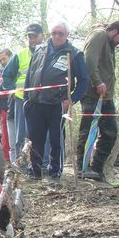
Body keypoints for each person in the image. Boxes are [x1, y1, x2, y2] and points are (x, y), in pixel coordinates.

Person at [23, 22, 87, 183]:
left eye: (61, 33)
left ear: (67, 35)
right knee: (35, 139)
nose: (57, 36)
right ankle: (35, 171)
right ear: (50, 34)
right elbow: (30, 75)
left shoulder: (74, 53)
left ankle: (54, 173)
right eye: (54, 33)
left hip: (57, 104)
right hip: (35, 102)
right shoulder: (39, 49)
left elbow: (84, 81)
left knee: (55, 140)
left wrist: (71, 99)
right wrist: (26, 98)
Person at [77, 21, 119, 181]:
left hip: (106, 97)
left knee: (110, 132)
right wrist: (97, 81)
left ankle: (96, 168)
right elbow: (89, 60)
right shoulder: (99, 35)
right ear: (113, 31)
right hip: (92, 93)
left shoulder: (109, 43)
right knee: (87, 131)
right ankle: (81, 168)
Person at [0, 24, 46, 162]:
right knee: (22, 135)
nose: (31, 40)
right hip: (22, 100)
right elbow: (6, 76)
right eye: (29, 37)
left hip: (43, 100)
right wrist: (12, 89)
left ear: (42, 36)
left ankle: (40, 164)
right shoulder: (20, 55)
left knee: (41, 133)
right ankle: (22, 165)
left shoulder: (49, 53)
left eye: (34, 36)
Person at [0, 49, 13, 161]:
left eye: (4, 59)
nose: (2, 62)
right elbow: (2, 87)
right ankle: (6, 160)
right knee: (6, 137)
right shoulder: (0, 72)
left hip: (17, 106)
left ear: (10, 57)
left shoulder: (18, 69)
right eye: (0, 60)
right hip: (4, 107)